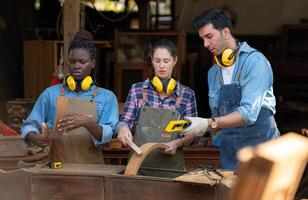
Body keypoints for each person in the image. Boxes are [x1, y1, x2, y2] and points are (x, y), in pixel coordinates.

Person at [184, 8, 279, 170]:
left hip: (262, 150)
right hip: (230, 153)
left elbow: (247, 113)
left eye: (209, 36)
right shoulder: (213, 73)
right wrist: (193, 131)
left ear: (226, 32)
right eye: (202, 39)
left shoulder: (255, 62)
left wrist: (207, 124)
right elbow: (218, 118)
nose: (205, 44)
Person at [21, 30, 118, 164]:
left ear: (93, 63)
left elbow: (108, 135)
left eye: (82, 62)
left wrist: (86, 122)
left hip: (93, 170)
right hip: (56, 169)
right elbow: (29, 125)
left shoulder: (107, 97)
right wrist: (35, 138)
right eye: (72, 62)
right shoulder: (50, 94)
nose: (77, 66)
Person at [116, 39, 198, 176]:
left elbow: (192, 134)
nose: (161, 65)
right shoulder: (137, 90)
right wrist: (122, 128)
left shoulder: (186, 94)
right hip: (138, 170)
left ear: (175, 60)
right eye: (157, 60)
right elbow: (125, 121)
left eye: (166, 61)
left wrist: (177, 143)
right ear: (151, 61)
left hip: (171, 171)